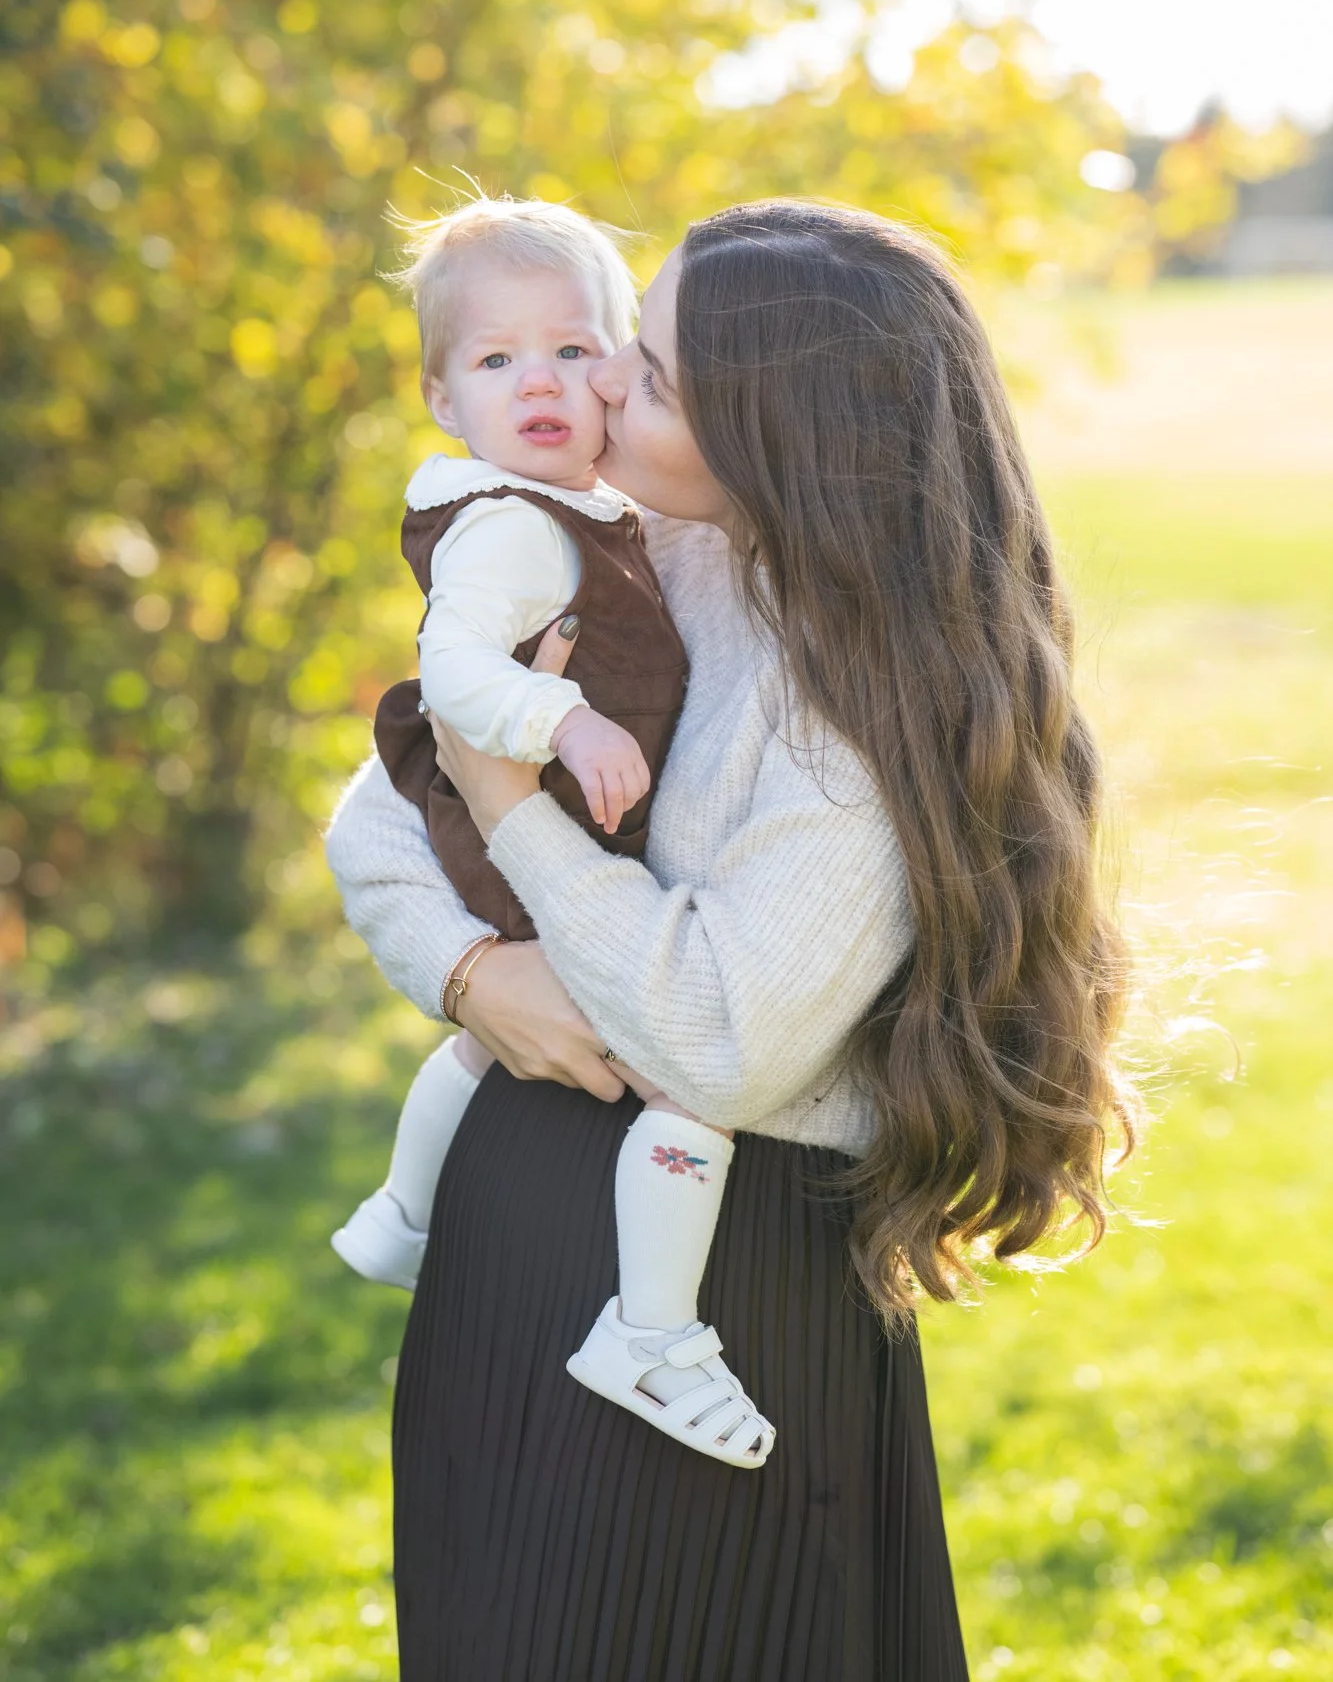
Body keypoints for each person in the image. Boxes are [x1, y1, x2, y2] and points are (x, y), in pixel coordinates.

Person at [325, 200, 1135, 1682]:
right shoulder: (630, 554)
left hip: (719, 1300)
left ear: (781, 431)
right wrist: (467, 972)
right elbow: (380, 819)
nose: (605, 385)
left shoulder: (861, 704)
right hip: (517, 1238)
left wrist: (514, 814)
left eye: (655, 369)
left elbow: (714, 1037)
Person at [331, 194, 774, 1465]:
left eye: (574, 350)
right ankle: (651, 1326)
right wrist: (566, 719)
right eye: (495, 358)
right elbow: (454, 672)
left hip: (551, 841)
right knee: (690, 1087)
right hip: (542, 839)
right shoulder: (519, 526)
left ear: (625, 366)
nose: (540, 380)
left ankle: (403, 1209)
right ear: (440, 398)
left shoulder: (596, 517)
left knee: (482, 1053)